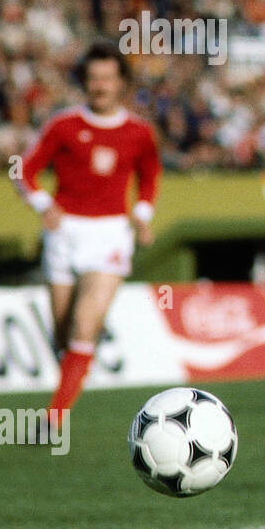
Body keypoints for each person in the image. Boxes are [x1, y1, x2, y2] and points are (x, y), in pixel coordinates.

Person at [16, 41, 159, 430]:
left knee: (84, 323)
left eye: (108, 78)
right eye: (94, 78)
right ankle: (79, 361)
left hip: (110, 234)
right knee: (63, 330)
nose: (100, 86)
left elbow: (150, 176)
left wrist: (142, 215)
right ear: (85, 81)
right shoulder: (63, 126)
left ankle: (55, 417)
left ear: (122, 83)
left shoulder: (139, 132)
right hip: (64, 234)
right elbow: (22, 171)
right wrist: (43, 204)